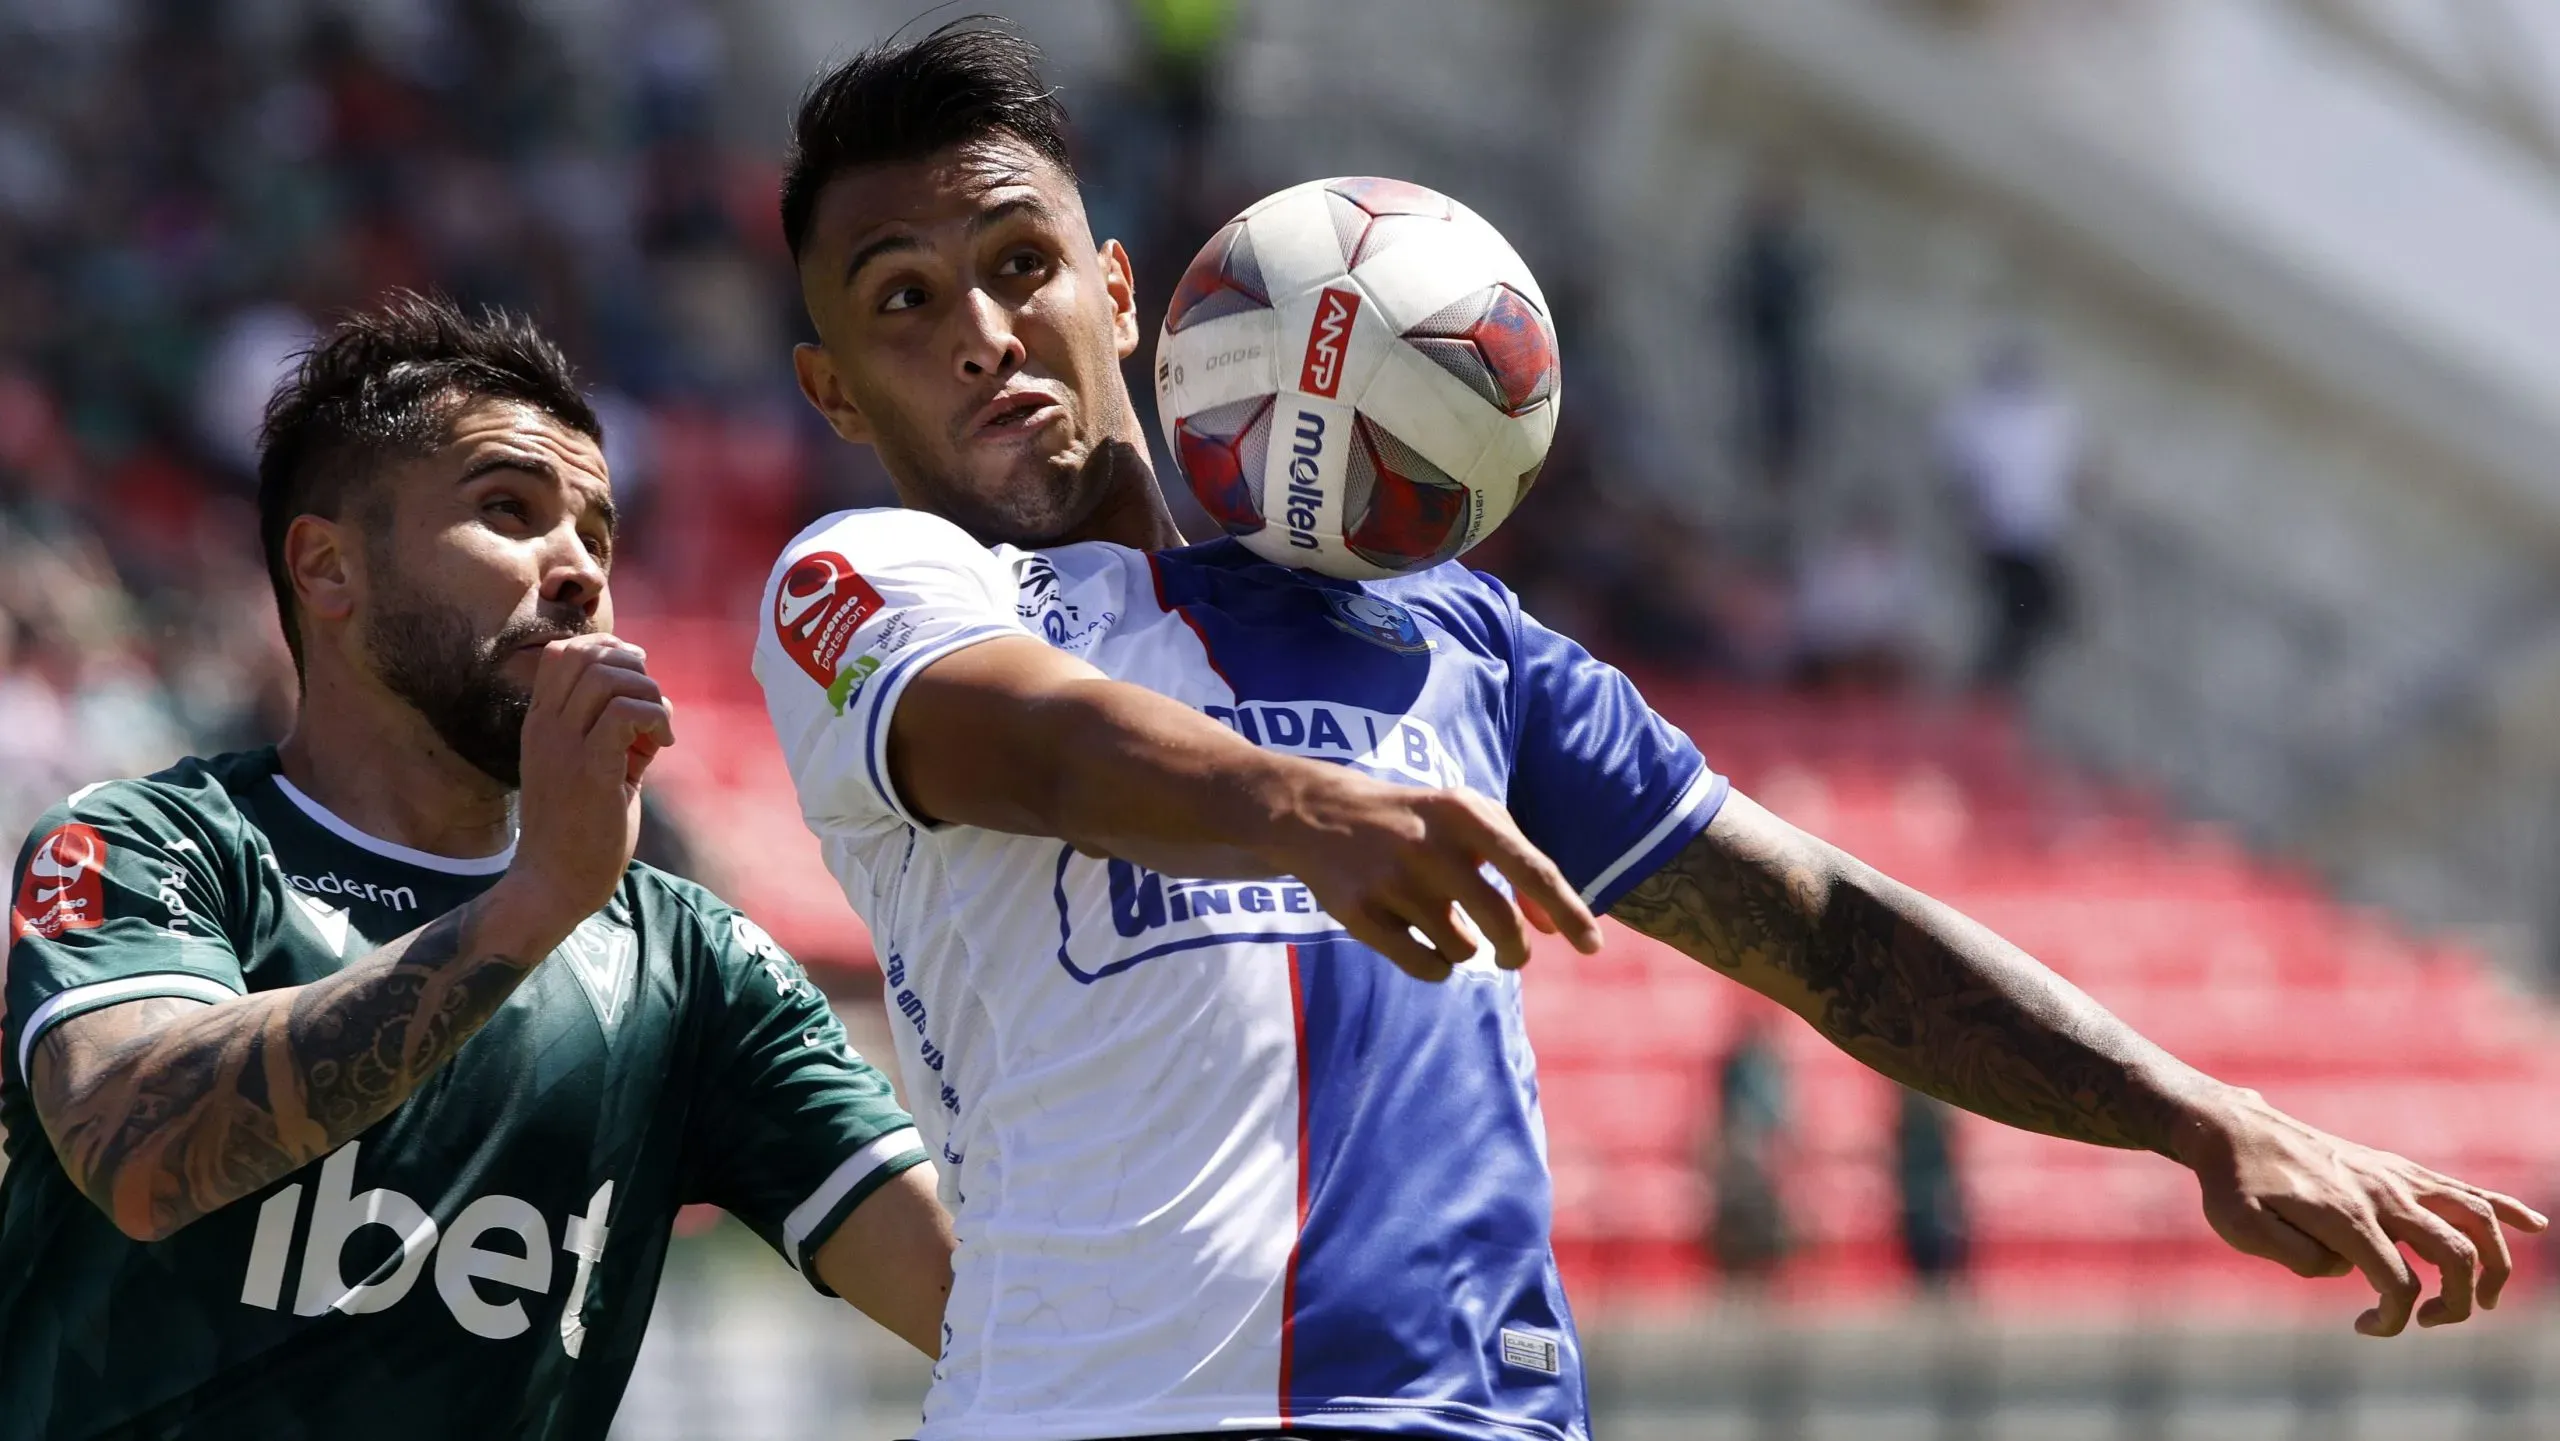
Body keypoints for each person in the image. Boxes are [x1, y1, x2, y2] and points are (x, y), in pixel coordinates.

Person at [755, 22, 2542, 1441]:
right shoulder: (870, 586)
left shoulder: (1461, 635)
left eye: (1019, 263)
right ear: (835, 383)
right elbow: (1056, 752)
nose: (984, 332)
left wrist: (2194, 1114)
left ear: (1126, 290)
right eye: (905, 302)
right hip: (1099, 1419)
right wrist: (1314, 811)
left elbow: (1820, 929)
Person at [0, 296, 955, 1440]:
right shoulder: (151, 845)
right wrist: (535, 902)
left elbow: (979, 1309)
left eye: (599, 536)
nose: (575, 569)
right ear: (328, 568)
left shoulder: (693, 964)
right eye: (509, 510)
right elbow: (139, 1150)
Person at [1937, 335, 2080, 689]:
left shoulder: (2044, 412)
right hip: (2001, 532)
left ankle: (1996, 675)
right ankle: (1993, 678)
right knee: (2026, 606)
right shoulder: (1980, 414)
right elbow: (1964, 471)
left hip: (2031, 532)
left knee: (2038, 608)